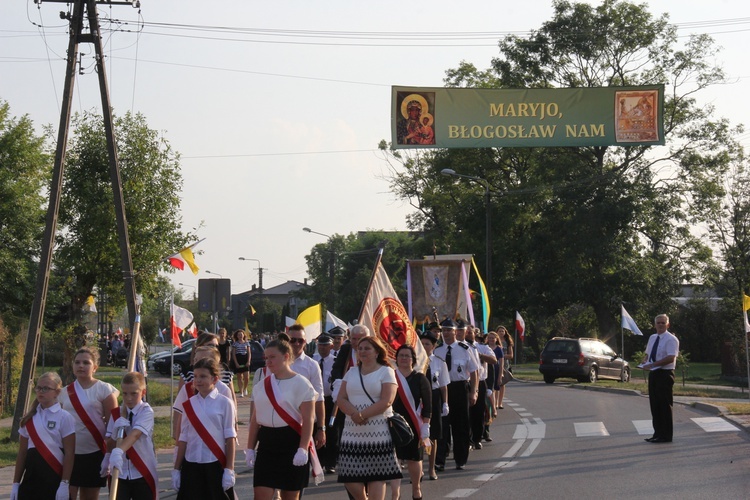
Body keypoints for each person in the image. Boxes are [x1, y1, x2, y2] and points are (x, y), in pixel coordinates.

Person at [246, 339, 320, 499]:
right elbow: (255, 420)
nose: (268, 361)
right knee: (260, 494)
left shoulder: (302, 384)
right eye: (266, 358)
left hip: (291, 442)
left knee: (289, 495)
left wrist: (302, 449)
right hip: (267, 444)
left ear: (286, 356)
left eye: (272, 357)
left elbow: (308, 419)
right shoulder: (261, 386)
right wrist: (250, 448)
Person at [335, 336, 402, 500]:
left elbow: (387, 400)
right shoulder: (351, 371)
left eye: (367, 348)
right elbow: (341, 398)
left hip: (378, 431)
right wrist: (353, 414)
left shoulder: (387, 371)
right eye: (360, 348)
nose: (362, 351)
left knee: (376, 476)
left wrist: (363, 415)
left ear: (377, 352)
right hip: (352, 432)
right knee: (348, 477)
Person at [58, 346, 119, 500]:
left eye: (86, 362)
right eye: (77, 362)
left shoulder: (104, 390)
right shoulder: (64, 392)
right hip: (69, 454)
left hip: (95, 453)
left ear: (95, 367)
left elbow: (113, 427)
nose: (81, 366)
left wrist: (109, 454)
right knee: (67, 496)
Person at [173, 358, 236, 499]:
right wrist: (176, 469)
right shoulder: (189, 405)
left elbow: (230, 437)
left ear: (214, 379)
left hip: (215, 464)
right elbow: (183, 438)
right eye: (195, 376)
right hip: (191, 465)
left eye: (203, 376)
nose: (198, 380)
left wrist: (229, 469)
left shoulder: (225, 403)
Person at [13, 372, 75, 500]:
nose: (41, 391)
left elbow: (70, 453)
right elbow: (22, 453)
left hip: (54, 478)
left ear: (57, 393)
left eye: (46, 388)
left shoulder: (64, 417)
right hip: (31, 479)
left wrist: (64, 483)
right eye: (38, 388)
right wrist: (15, 483)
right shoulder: (29, 419)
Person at [102, 372, 158, 500]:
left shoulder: (146, 412)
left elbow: (135, 435)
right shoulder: (116, 414)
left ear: (143, 393)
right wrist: (115, 435)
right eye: (125, 393)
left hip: (142, 471)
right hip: (120, 473)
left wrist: (119, 450)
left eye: (134, 393)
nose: (128, 398)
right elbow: (109, 444)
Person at [433, 319, 478, 471]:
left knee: (461, 425)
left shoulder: (465, 348)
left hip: (460, 388)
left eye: (448, 330)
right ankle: (440, 459)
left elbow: (473, 371)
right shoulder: (437, 350)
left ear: (455, 331)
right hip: (442, 389)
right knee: (442, 425)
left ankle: (460, 458)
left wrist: (473, 392)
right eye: (443, 330)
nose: (445, 333)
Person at [390, 345, 431, 500]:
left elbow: (428, 404)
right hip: (393, 423)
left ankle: (416, 488)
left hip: (413, 423)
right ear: (396, 358)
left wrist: (426, 424)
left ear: (413, 360)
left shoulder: (420, 378)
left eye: (407, 356)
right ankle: (395, 494)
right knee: (394, 459)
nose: (404, 358)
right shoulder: (390, 376)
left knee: (414, 458)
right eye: (401, 355)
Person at [173, 346, 237, 443]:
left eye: (202, 360)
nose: (197, 363)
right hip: (192, 442)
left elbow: (229, 422)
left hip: (215, 443)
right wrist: (176, 437)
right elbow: (179, 413)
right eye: (196, 360)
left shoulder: (223, 389)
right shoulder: (187, 388)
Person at [641, 314, 679, 443]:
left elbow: (670, 358)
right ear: (655, 324)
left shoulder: (671, 339)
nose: (661, 325)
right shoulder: (652, 338)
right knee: (655, 405)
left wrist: (653, 364)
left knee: (664, 405)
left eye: (663, 323)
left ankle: (666, 435)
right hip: (654, 373)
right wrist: (645, 361)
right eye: (658, 323)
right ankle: (657, 433)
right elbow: (648, 353)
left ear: (668, 325)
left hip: (665, 374)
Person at [287, 324, 327, 450]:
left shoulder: (312, 365)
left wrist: (321, 428)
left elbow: (319, 399)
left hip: (306, 424)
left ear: (305, 342)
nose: (297, 343)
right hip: (282, 422)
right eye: (293, 340)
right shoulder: (277, 363)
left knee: (303, 463)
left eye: (301, 340)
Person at [420, 331, 449, 481]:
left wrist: (445, 403)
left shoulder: (439, 361)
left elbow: (443, 385)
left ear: (434, 346)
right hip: (418, 399)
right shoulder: (415, 361)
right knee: (418, 434)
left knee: (433, 435)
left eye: (427, 344)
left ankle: (431, 468)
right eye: (422, 343)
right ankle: (418, 470)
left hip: (434, 398)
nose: (424, 346)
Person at [465, 325, 496, 447]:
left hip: (480, 382)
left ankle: (477, 438)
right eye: (465, 332)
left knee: (478, 412)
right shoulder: (459, 347)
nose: (467, 334)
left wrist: (480, 355)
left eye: (469, 332)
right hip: (465, 382)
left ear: (474, 334)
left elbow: (494, 360)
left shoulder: (482, 347)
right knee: (465, 413)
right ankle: (467, 439)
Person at [313, 334, 338, 474]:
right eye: (320, 345)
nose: (322, 347)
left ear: (331, 346)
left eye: (325, 345)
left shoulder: (336, 361)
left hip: (331, 400)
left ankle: (330, 463)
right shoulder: (313, 360)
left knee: (332, 431)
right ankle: (319, 462)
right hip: (316, 400)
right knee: (317, 430)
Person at [485, 332, 504, 413]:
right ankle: (489, 406)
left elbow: (501, 363)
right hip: (487, 371)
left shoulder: (499, 349)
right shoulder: (485, 347)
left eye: (493, 338)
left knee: (495, 388)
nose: (491, 339)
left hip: (495, 371)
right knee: (488, 389)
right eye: (490, 338)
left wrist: (500, 376)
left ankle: (495, 405)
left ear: (496, 339)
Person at [497, 326, 514, 409]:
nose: (501, 333)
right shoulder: (494, 341)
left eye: (502, 331)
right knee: (496, 383)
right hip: (495, 363)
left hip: (504, 364)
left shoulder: (507, 342)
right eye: (499, 331)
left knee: (502, 384)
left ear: (505, 332)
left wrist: (501, 356)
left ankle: (500, 403)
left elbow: (511, 355)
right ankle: (495, 401)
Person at [231, 330, 252, 397]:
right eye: (239, 335)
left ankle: (245, 388)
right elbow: (233, 354)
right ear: (237, 336)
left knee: (246, 377)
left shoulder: (247, 343)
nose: (240, 336)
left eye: (241, 334)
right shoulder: (235, 344)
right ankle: (241, 392)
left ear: (243, 335)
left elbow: (249, 353)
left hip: (245, 359)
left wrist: (248, 361)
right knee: (239, 377)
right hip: (238, 359)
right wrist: (236, 363)